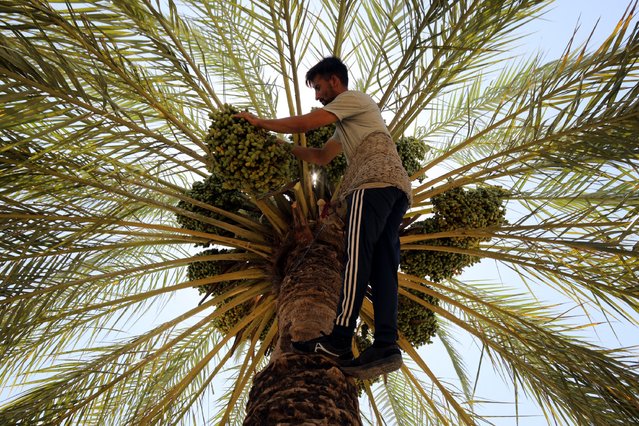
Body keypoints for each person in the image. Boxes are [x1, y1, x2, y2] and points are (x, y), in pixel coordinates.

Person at [235, 56, 412, 380]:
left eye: (318, 87)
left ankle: (339, 339)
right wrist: (278, 147)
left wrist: (260, 124)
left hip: (370, 183)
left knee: (357, 258)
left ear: (333, 80)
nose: (317, 96)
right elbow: (320, 156)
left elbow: (307, 123)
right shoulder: (351, 123)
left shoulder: (352, 99)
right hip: (396, 188)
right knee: (383, 266)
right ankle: (387, 343)